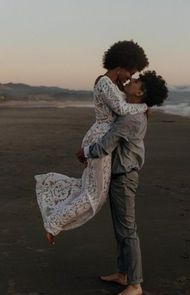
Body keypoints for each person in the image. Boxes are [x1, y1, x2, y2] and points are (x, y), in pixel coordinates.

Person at [34, 40, 149, 244]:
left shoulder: (114, 85)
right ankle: (53, 223)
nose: (130, 77)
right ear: (122, 63)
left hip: (104, 137)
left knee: (90, 188)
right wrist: (144, 107)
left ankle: (53, 206)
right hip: (100, 138)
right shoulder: (104, 82)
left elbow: (124, 107)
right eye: (130, 72)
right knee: (94, 194)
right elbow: (122, 110)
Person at [77, 71, 168, 295]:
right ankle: (123, 274)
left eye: (135, 82)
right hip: (119, 175)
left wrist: (84, 152)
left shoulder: (131, 118)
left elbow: (105, 145)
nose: (130, 81)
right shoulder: (132, 110)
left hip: (124, 177)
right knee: (121, 229)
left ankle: (135, 284)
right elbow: (112, 91)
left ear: (141, 92)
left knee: (127, 230)